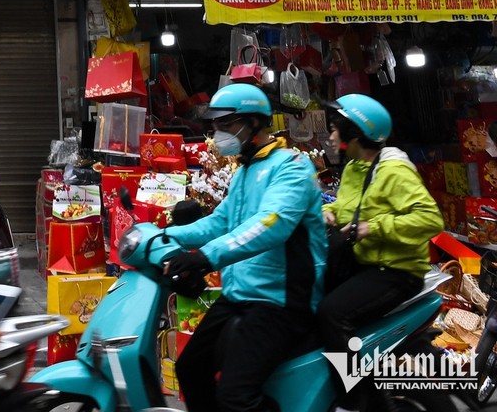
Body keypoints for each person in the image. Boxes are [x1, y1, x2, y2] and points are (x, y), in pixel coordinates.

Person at [162, 83, 327, 412]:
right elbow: (220, 222)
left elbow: (271, 224)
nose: (216, 133)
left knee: (236, 396)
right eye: (215, 126)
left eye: (225, 124)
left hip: (280, 301)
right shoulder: (244, 172)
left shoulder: (291, 167)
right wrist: (165, 237)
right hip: (240, 296)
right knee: (190, 368)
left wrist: (205, 257)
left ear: (253, 123)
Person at [318, 94, 442, 412]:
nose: (331, 137)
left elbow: (430, 219)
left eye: (336, 129)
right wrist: (330, 212)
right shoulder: (354, 169)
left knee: (333, 313)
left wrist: (374, 227)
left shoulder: (394, 171)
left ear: (356, 133)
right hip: (365, 264)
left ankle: (356, 400)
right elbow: (349, 208)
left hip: (398, 271)